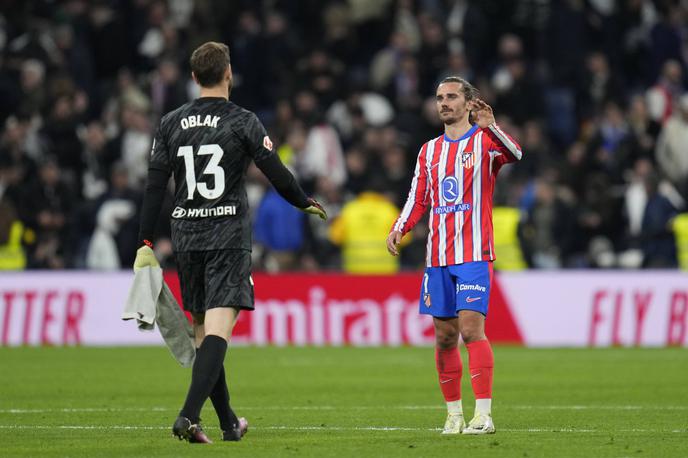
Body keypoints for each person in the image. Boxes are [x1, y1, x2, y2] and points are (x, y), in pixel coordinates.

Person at [133, 42, 326, 443]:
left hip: (186, 236)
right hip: (226, 235)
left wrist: (145, 241)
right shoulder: (243, 120)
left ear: (192, 78)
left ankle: (227, 424)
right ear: (228, 74)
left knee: (204, 334)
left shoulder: (170, 122)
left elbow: (154, 188)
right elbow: (276, 171)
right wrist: (302, 201)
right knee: (219, 330)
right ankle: (187, 415)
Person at [386, 76, 522, 435]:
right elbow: (419, 198)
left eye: (451, 97)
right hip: (437, 258)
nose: (444, 103)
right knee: (445, 337)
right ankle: (453, 415)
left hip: (474, 253)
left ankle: (484, 415)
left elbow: (516, 154)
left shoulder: (484, 141)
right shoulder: (428, 150)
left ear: (468, 102)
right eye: (439, 98)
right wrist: (400, 227)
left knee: (471, 329)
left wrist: (491, 126)